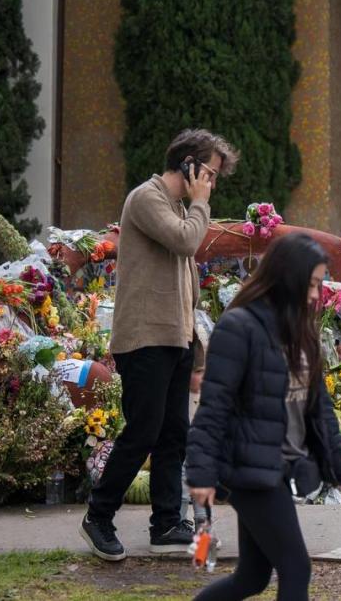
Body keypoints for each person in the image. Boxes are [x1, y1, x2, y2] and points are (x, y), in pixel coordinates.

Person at [79, 129, 239, 561]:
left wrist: (195, 347)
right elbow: (187, 240)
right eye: (209, 173)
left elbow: (184, 279)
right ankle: (98, 516)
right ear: (188, 165)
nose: (212, 183)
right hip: (145, 338)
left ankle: (167, 522)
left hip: (174, 338)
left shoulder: (178, 207)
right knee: (143, 430)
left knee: (174, 434)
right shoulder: (147, 199)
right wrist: (202, 203)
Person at [186, 233, 341, 601]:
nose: (316, 295)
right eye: (312, 284)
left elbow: (319, 407)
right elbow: (213, 407)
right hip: (250, 470)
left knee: (252, 578)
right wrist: (200, 473)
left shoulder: (300, 330)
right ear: (289, 278)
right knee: (296, 568)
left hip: (277, 468)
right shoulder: (239, 327)